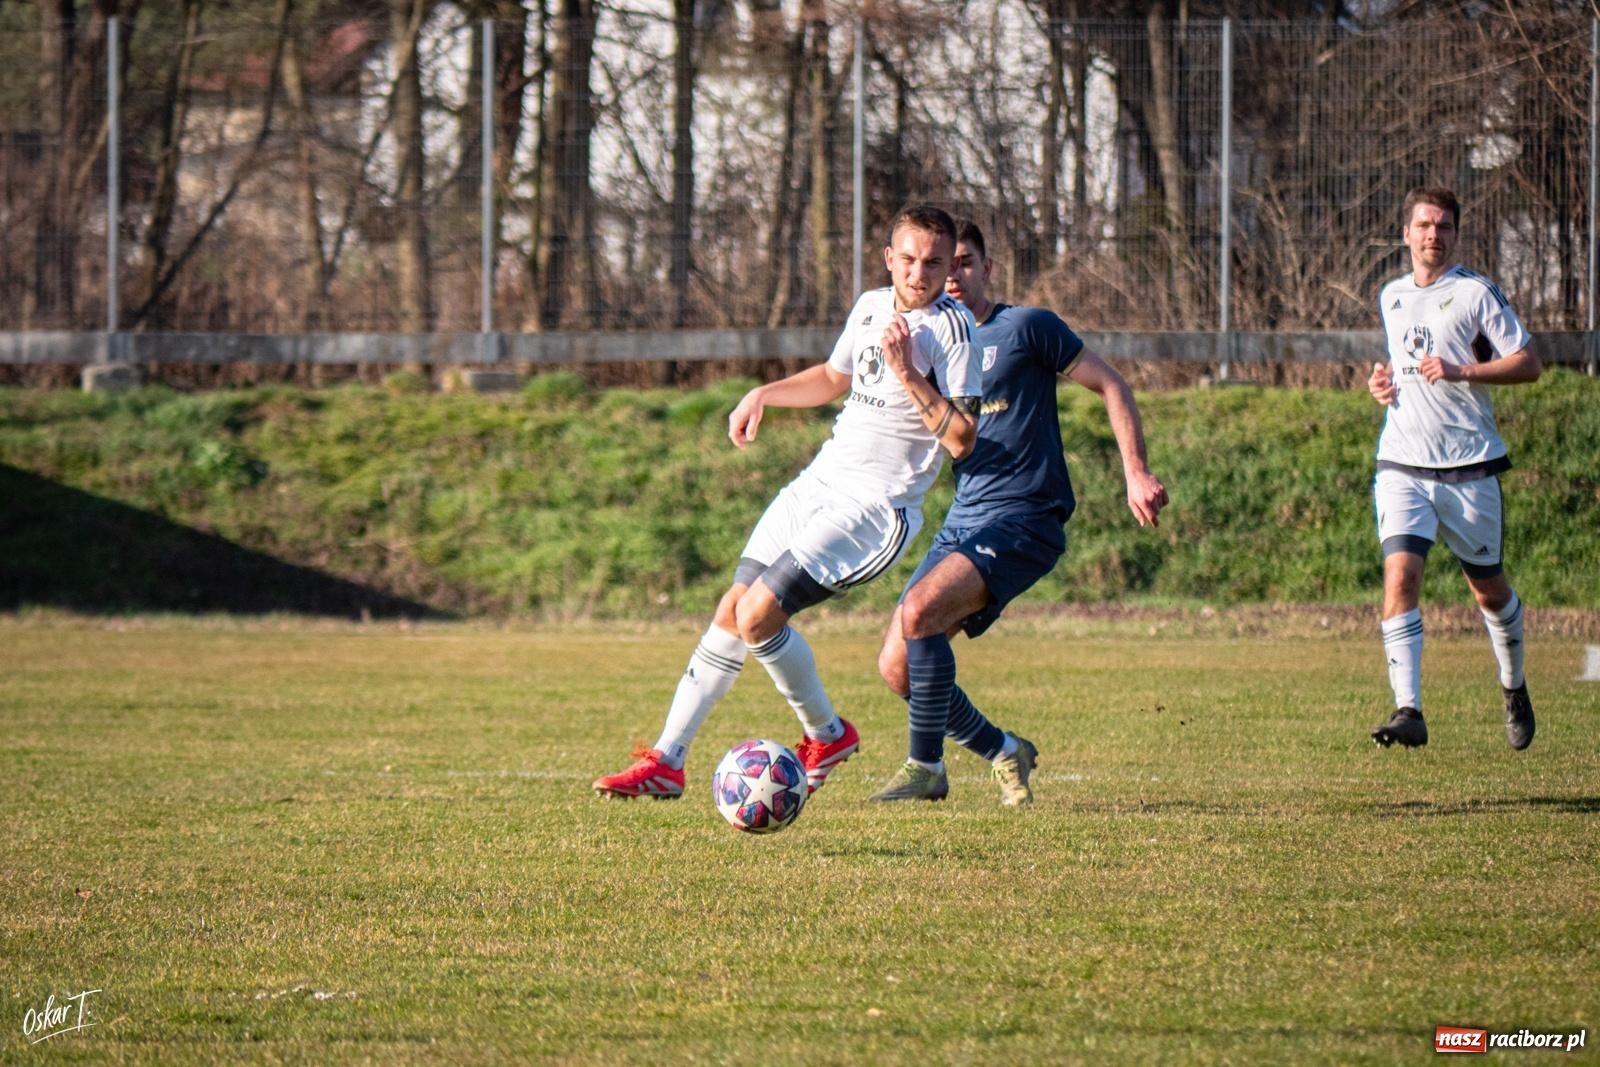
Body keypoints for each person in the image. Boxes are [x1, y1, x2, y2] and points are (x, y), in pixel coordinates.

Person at [593, 204, 982, 798]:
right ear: (889, 258)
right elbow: (833, 377)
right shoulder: (871, 307)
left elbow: (961, 438)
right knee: (733, 608)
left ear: (948, 263)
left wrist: (908, 374)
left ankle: (827, 733)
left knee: (757, 617)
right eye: (907, 259)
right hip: (818, 483)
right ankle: (668, 762)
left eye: (932, 262)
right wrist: (763, 394)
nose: (918, 272)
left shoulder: (954, 330)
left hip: (874, 510)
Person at [868, 219, 1168, 805]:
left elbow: (1111, 384)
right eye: (938, 265)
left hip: (1026, 514)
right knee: (897, 667)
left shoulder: (1026, 327)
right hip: (964, 516)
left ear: (986, 268)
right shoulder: (929, 340)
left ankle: (925, 768)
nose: (950, 276)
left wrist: (1135, 470)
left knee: (922, 611)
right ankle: (1004, 748)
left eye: (963, 263)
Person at [1365, 186, 1542, 750]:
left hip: (1469, 466)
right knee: (1400, 577)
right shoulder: (1390, 295)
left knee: (1488, 592)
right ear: (1406, 233)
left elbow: (1529, 363)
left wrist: (1463, 372)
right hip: (1402, 463)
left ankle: (1513, 686)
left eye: (1442, 227)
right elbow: (1404, 364)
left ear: (1455, 235)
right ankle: (1408, 708)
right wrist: (1382, 383)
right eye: (1423, 225)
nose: (1432, 235)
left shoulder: (1474, 293)